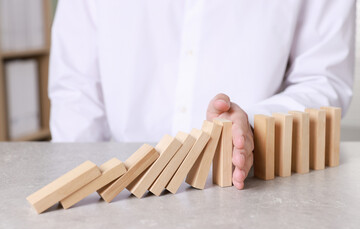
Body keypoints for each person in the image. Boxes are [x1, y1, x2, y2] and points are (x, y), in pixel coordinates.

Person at [49, 1, 355, 190]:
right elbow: (75, 89)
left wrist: (251, 124)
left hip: (249, 188)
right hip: (116, 189)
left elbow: (323, 77)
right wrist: (79, 184)